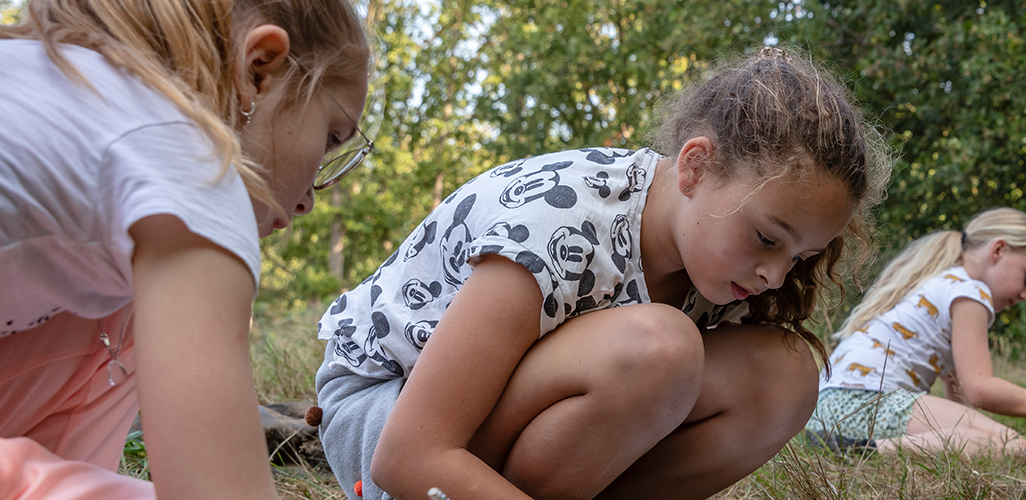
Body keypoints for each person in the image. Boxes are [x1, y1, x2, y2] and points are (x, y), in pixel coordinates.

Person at [313, 47, 892, 500]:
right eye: (767, 238)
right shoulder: (561, 221)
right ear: (696, 166)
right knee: (660, 348)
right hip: (390, 423)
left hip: (494, 438)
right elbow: (408, 456)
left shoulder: (722, 269)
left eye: (800, 257)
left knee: (786, 375)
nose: (773, 274)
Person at [0, 0, 371, 497]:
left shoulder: (53, 90)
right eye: (330, 137)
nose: (307, 201)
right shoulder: (193, 165)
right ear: (260, 67)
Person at [807, 208, 1026, 456]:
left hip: (825, 408)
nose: (1024, 296)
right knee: (1014, 446)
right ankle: (865, 451)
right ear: (999, 250)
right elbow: (981, 389)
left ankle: (852, 446)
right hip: (867, 402)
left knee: (978, 439)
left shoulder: (943, 281)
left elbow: (960, 396)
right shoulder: (970, 292)